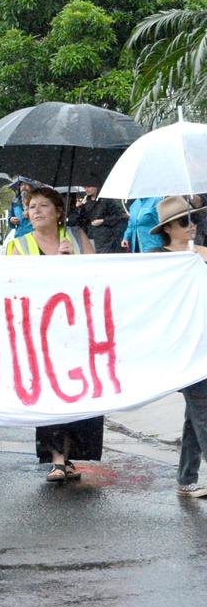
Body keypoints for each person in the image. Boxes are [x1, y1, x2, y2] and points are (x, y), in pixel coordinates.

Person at [4, 186, 98, 482]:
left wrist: (74, 263)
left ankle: (71, 456)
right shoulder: (18, 247)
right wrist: (52, 264)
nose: (36, 211)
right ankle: (56, 458)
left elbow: (99, 276)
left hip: (77, 329)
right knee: (52, 394)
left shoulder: (78, 239)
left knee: (80, 391)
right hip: (41, 332)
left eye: (44, 205)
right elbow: (13, 287)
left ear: (59, 212)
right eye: (32, 206)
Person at [141, 197, 207, 497]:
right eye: (184, 221)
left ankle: (186, 477)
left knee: (196, 414)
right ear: (167, 227)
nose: (191, 225)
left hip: (204, 339)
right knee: (203, 410)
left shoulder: (201, 253)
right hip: (182, 347)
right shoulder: (158, 259)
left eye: (194, 218)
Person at [76, 186, 127, 254]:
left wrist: (103, 221)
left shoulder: (106, 199)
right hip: (91, 237)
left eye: (89, 187)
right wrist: (80, 207)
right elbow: (82, 220)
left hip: (106, 238)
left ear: (95, 186)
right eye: (85, 187)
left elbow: (117, 216)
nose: (86, 189)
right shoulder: (86, 201)